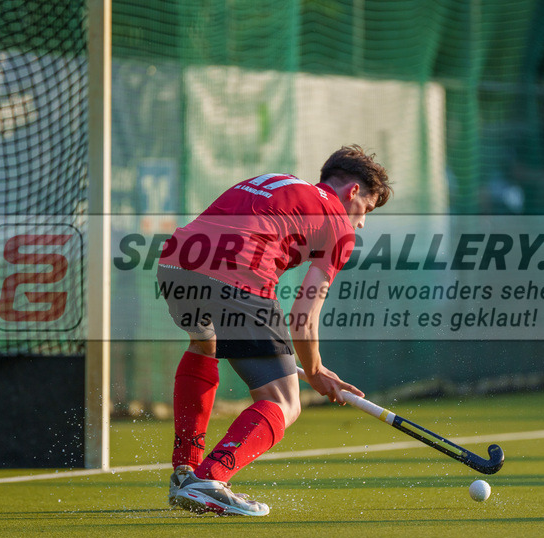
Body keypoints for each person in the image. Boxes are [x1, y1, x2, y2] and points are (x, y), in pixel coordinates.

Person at [156, 145, 392, 516]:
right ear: (353, 193)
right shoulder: (339, 224)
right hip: (236, 276)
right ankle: (209, 480)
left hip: (175, 262)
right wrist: (314, 371)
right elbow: (303, 316)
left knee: (205, 343)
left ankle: (186, 470)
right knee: (285, 401)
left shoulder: (275, 182)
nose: (361, 223)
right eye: (366, 210)